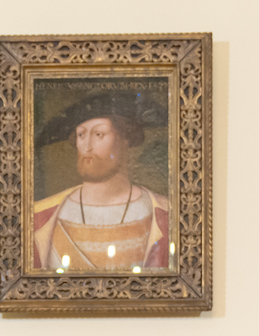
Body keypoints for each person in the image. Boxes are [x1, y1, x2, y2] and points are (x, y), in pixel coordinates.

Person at [31, 91, 171, 272]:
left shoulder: (165, 214)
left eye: (98, 134)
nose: (86, 147)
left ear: (126, 139)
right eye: (81, 135)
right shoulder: (40, 217)